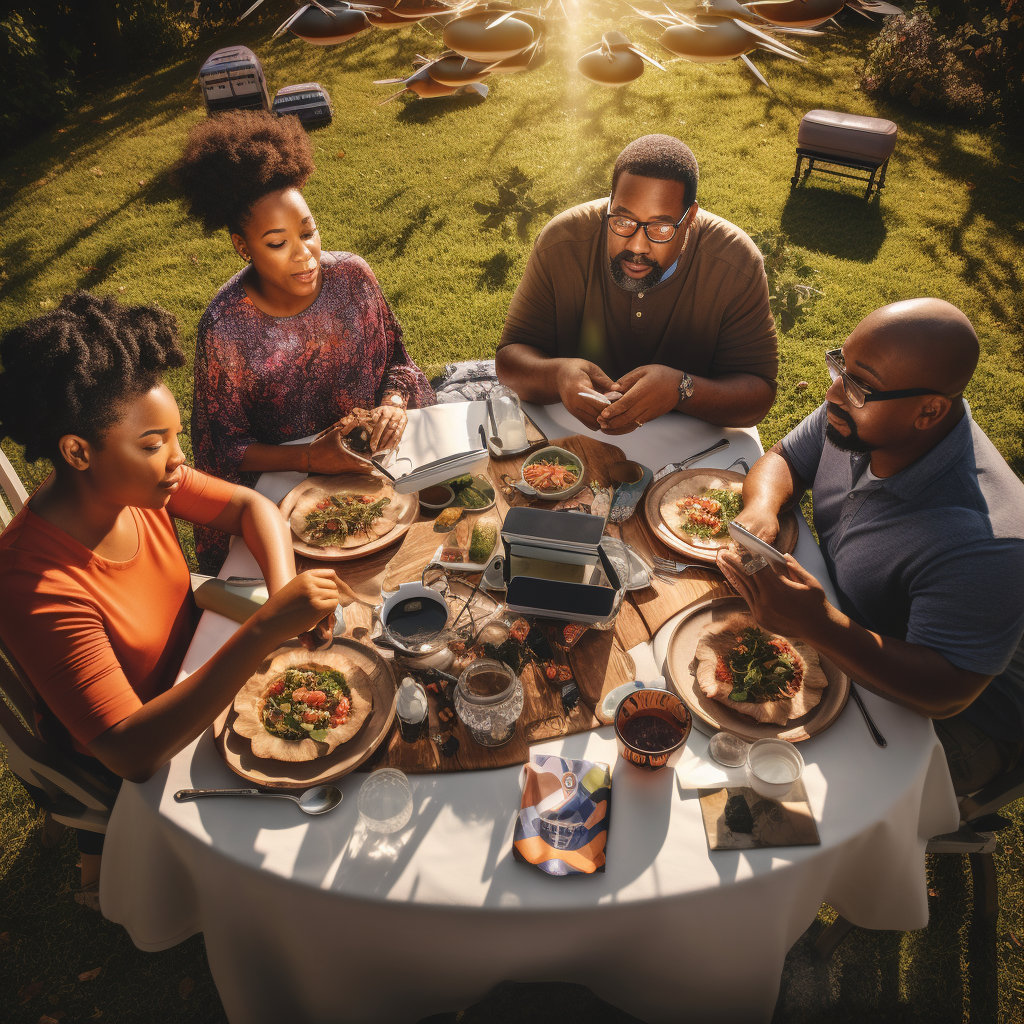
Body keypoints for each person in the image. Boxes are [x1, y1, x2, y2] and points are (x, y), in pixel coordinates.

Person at [0, 293, 354, 896]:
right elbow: (130, 751)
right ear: (78, 451)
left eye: (174, 436)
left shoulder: (132, 483)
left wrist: (283, 589)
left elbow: (251, 506)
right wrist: (267, 626)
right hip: (156, 744)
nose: (177, 458)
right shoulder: (36, 584)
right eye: (154, 443)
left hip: (200, 658)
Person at [717, 298, 1024, 795]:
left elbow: (946, 693)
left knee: (772, 793)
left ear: (929, 411)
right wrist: (761, 509)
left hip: (959, 725)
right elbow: (785, 459)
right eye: (840, 366)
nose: (833, 392)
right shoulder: (860, 414)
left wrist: (816, 624)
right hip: (845, 630)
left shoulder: (987, 544)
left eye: (860, 386)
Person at [171, 111, 435, 573]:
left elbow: (397, 359)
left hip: (380, 466)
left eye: (308, 232)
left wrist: (393, 402)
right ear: (242, 246)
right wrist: (312, 457)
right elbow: (224, 447)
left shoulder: (352, 278)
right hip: (289, 495)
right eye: (277, 243)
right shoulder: (225, 328)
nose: (304, 255)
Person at [496, 134, 777, 436]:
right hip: (571, 435)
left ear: (691, 217)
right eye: (623, 220)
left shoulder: (736, 261)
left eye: (660, 227)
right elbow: (510, 359)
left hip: (688, 444)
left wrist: (681, 388)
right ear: (610, 202)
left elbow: (758, 395)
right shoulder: (562, 240)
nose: (638, 246)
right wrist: (557, 376)